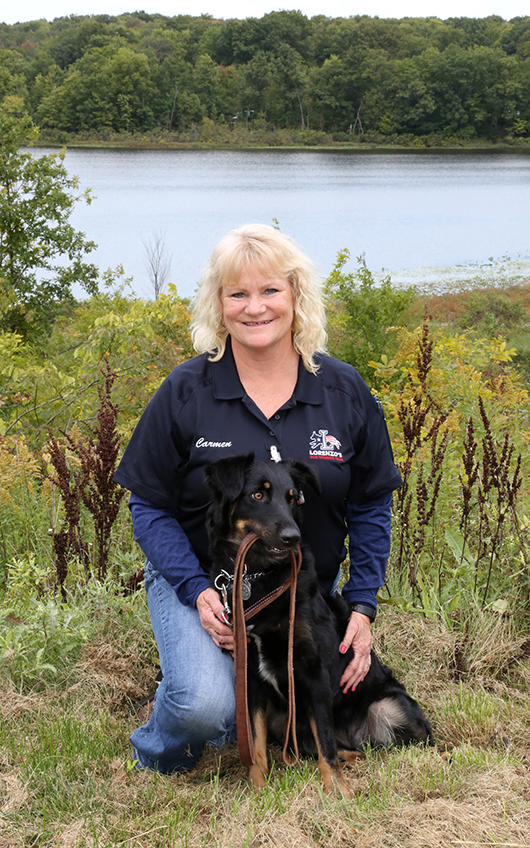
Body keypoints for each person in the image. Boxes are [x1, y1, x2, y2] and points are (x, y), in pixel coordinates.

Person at [114, 223, 402, 773]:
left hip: (300, 588)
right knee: (209, 711)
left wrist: (361, 607)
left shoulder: (342, 391)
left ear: (296, 295)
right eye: (237, 294)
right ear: (218, 305)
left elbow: (370, 503)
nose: (255, 308)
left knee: (284, 707)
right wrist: (196, 591)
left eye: (270, 290)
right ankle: (158, 744)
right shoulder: (186, 391)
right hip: (201, 581)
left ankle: (225, 694)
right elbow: (147, 506)